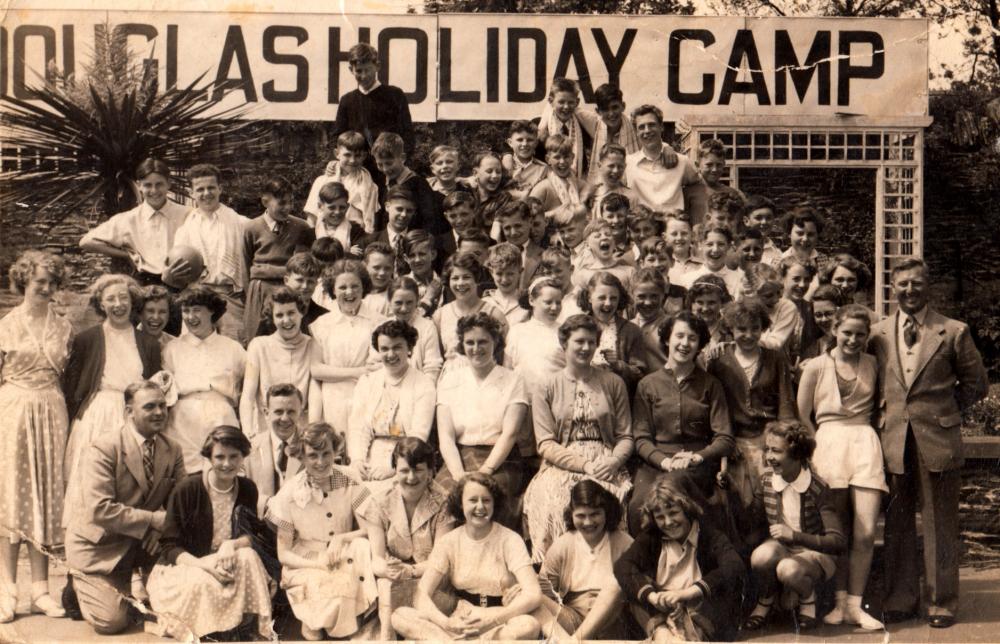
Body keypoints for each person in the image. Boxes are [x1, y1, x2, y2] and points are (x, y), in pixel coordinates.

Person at [869, 258, 988, 629]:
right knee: (898, 522)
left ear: (928, 286)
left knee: (940, 523)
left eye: (916, 283)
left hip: (937, 437)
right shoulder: (877, 334)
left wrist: (944, 412)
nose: (909, 290)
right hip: (893, 439)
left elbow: (976, 384)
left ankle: (941, 602)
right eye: (902, 284)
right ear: (893, 288)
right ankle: (901, 599)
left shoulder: (953, 331)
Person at [64, 381, 185, 636]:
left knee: (183, 604)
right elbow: (100, 510)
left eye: (163, 405)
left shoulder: (172, 449)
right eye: (149, 406)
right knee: (112, 623)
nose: (159, 412)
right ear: (128, 412)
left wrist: (160, 531)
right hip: (100, 549)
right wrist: (153, 521)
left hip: (142, 544)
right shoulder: (103, 448)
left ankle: (130, 591)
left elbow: (181, 504)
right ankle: (79, 586)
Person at [797, 304, 886, 629]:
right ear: (834, 330)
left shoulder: (874, 363)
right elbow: (803, 414)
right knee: (837, 531)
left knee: (864, 532)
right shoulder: (817, 366)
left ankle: (855, 606)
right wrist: (816, 448)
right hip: (827, 444)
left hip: (864, 444)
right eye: (847, 332)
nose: (853, 339)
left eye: (860, 334)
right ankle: (837, 604)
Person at [523, 314, 634, 562]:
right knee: (552, 498)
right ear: (565, 344)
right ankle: (555, 572)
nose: (586, 348)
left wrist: (613, 462)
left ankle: (605, 570)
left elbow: (626, 435)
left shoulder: (613, 382)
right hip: (563, 460)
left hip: (606, 459)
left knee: (607, 498)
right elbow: (545, 442)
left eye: (591, 342)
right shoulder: (546, 385)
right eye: (579, 342)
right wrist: (583, 465)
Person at [146, 426, 273, 641]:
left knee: (249, 557)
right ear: (208, 457)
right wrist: (204, 565)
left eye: (234, 456)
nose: (227, 463)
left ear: (244, 456)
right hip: (187, 565)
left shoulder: (247, 488)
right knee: (204, 582)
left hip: (225, 560)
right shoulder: (187, 489)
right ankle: (210, 630)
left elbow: (251, 535)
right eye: (220, 457)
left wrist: (231, 545)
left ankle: (242, 623)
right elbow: (170, 547)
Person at [0, 250, 73, 621]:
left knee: (44, 497)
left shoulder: (64, 326)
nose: (45, 288)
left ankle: (41, 589)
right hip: (13, 410)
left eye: (51, 282)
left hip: (51, 410)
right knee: (14, 496)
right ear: (23, 282)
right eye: (38, 281)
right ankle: (6, 589)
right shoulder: (5, 326)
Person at [390, 472, 543, 641]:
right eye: (472, 500)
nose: (480, 507)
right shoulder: (449, 541)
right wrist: (446, 623)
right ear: (461, 504)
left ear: (494, 504)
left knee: (529, 625)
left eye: (486, 500)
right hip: (461, 619)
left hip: (499, 619)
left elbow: (533, 594)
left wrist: (492, 621)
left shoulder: (510, 539)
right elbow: (421, 595)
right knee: (400, 615)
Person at [63, 274, 161, 527]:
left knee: (132, 479)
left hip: (134, 415)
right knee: (92, 478)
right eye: (110, 299)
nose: (118, 304)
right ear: (101, 304)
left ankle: (128, 545)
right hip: (98, 414)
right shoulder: (87, 339)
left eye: (123, 297)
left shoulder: (148, 343)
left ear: (132, 301)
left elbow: (153, 385)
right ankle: (85, 542)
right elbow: (72, 386)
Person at [269, 422, 377, 640]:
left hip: (343, 553)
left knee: (362, 548)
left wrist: (342, 537)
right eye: (312, 455)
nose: (320, 462)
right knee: (318, 625)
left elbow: (369, 530)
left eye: (326, 453)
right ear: (301, 456)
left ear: (335, 450)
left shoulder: (349, 478)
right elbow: (284, 554)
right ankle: (314, 622)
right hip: (306, 560)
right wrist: (317, 563)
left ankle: (349, 621)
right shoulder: (289, 493)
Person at [629, 311, 733, 533]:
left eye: (692, 338)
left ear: (700, 345)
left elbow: (724, 438)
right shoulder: (648, 385)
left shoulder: (711, 385)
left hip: (697, 466)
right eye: (679, 336)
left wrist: (697, 457)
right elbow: (641, 438)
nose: (685, 344)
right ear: (667, 339)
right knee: (638, 505)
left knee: (674, 489)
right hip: (656, 464)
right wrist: (664, 462)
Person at [614, 475, 744, 643]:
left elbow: (734, 566)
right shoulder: (651, 537)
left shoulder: (709, 534)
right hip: (661, 609)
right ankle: (662, 632)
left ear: (687, 508)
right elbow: (623, 567)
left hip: (700, 609)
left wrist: (685, 594)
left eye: (673, 513)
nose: (668, 522)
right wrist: (653, 597)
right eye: (660, 517)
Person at [744, 421, 846, 633]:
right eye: (767, 450)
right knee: (760, 557)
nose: (769, 457)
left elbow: (837, 542)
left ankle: (808, 600)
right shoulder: (766, 482)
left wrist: (795, 536)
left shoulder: (818, 487)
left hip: (814, 553)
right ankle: (766, 600)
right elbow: (752, 519)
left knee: (787, 569)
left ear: (797, 454)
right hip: (782, 548)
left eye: (776, 451)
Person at [435, 313, 527, 528]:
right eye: (470, 342)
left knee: (486, 495)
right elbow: (446, 436)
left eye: (483, 341)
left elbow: (510, 434)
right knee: (444, 494)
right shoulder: (450, 380)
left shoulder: (513, 380)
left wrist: (485, 470)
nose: (476, 348)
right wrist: (458, 474)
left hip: (501, 460)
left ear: (495, 342)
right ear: (462, 345)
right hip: (458, 457)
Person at [362, 438, 456, 640]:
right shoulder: (379, 502)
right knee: (386, 588)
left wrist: (411, 571)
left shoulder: (443, 503)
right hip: (393, 581)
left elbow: (442, 562)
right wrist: (387, 569)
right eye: (404, 470)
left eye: (419, 469)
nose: (411, 477)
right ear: (395, 470)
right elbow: (376, 560)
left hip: (433, 580)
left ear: (431, 471)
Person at [707, 298, 795, 508]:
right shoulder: (719, 361)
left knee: (773, 500)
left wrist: (779, 442)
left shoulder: (775, 358)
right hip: (735, 442)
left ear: (763, 328)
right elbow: (716, 408)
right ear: (731, 329)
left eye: (755, 328)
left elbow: (786, 405)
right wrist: (727, 441)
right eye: (742, 329)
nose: (748, 335)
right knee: (738, 503)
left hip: (768, 440)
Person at [163, 285, 246, 472]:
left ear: (212, 312)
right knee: (184, 474)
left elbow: (247, 389)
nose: (191, 317)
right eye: (186, 311)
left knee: (222, 471)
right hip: (182, 419)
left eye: (197, 310)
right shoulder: (172, 349)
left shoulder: (233, 349)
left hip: (221, 416)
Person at [537, 480, 633, 640]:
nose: (588, 522)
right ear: (571, 515)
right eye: (581, 516)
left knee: (617, 580)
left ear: (606, 512)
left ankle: (573, 642)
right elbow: (546, 590)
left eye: (595, 514)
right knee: (526, 593)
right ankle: (568, 640)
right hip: (572, 620)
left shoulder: (624, 543)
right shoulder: (563, 544)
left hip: (612, 621)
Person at [79, 158, 190, 291]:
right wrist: (126, 254)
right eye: (148, 185)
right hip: (145, 284)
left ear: (168, 184)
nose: (154, 191)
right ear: (139, 186)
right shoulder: (128, 219)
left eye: (159, 184)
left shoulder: (187, 214)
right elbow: (86, 242)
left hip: (181, 283)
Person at [348, 320, 436, 488]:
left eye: (397, 347)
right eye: (385, 349)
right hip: (370, 457)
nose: (390, 354)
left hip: (408, 461)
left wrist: (394, 467)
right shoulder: (368, 381)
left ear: (409, 348)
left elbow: (418, 434)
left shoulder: (424, 384)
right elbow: (359, 427)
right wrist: (358, 460)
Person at [172, 163, 250, 344]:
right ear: (192, 193)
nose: (206, 193)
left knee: (234, 351)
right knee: (195, 349)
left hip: (231, 299)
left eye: (211, 188)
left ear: (220, 188)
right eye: (200, 189)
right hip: (197, 297)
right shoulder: (184, 230)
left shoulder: (241, 224)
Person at [308, 259, 383, 432]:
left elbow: (376, 369)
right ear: (333, 289)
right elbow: (317, 369)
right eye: (342, 287)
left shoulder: (379, 322)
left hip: (366, 398)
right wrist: (358, 371)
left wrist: (333, 372)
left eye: (355, 286)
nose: (349, 292)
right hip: (332, 400)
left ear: (363, 287)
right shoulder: (321, 325)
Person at [239, 286, 320, 437]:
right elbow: (247, 395)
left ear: (301, 313)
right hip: (265, 427)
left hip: (300, 428)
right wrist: (247, 431)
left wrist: (312, 432)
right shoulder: (258, 345)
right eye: (279, 315)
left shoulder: (312, 344)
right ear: (272, 318)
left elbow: (315, 393)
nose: (286, 320)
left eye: (291, 313)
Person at [242, 177, 316, 341]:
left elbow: (304, 264)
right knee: (258, 336)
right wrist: (251, 296)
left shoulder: (301, 227)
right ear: (265, 201)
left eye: (291, 202)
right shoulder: (251, 228)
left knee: (291, 334)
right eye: (282, 203)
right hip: (261, 290)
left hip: (290, 288)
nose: (288, 207)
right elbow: (245, 265)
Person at [332, 43, 414, 160]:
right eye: (359, 71)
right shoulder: (347, 100)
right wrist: (335, 162)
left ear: (377, 66)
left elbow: (407, 134)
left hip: (389, 166)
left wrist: (398, 163)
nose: (364, 75)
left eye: (368, 70)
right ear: (351, 70)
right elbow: (337, 138)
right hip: (357, 167)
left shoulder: (395, 95)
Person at [576, 270, 647, 395]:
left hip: (617, 397)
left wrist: (619, 366)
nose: (608, 303)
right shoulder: (577, 327)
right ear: (589, 298)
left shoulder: (631, 330)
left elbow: (640, 375)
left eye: (613, 298)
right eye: (602, 297)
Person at [433, 253, 509, 368]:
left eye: (466, 277)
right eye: (455, 278)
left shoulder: (494, 314)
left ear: (477, 279)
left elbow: (502, 358)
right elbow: (437, 358)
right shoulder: (440, 315)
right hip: (451, 380)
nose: (460, 283)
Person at [243, 383, 305, 518]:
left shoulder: (311, 447)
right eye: (278, 412)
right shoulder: (250, 448)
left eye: (291, 411)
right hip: (260, 526)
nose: (284, 418)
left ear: (300, 412)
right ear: (266, 413)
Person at [625, 104, 698, 213]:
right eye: (641, 127)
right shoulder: (628, 163)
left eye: (652, 125)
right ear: (636, 132)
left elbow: (699, 185)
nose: (647, 130)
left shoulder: (682, 161)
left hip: (673, 226)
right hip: (642, 228)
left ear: (661, 127)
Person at [304, 131, 379, 234]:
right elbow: (311, 218)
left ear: (364, 156)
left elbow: (371, 221)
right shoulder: (321, 181)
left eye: (357, 156)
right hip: (323, 235)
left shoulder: (369, 186)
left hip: (355, 237)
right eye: (347, 155)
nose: (352, 160)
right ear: (337, 154)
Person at [371, 131, 446, 234]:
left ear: (402, 158)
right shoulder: (382, 185)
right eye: (380, 164)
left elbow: (430, 220)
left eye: (389, 163)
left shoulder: (418, 184)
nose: (385, 169)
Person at [387, 276, 444, 381]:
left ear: (417, 301)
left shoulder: (427, 327)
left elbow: (432, 367)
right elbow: (375, 365)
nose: (404, 308)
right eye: (398, 303)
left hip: (419, 388)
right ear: (389, 302)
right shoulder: (383, 327)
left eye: (409, 302)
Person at [501, 120, 548, 200]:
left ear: (536, 143)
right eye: (519, 140)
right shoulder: (501, 165)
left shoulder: (543, 169)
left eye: (530, 140)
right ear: (510, 143)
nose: (525, 144)